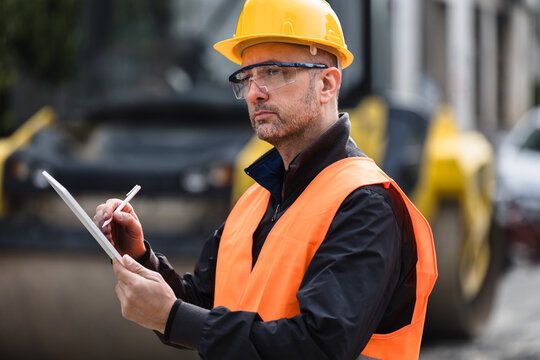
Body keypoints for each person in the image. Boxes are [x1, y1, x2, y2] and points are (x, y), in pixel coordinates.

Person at [93, 0, 437, 359]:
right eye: (246, 77)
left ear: (327, 83)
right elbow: (206, 310)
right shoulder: (255, 201)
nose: (255, 92)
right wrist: (140, 257)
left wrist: (173, 317)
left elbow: (320, 344)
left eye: (273, 72)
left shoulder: (366, 203)